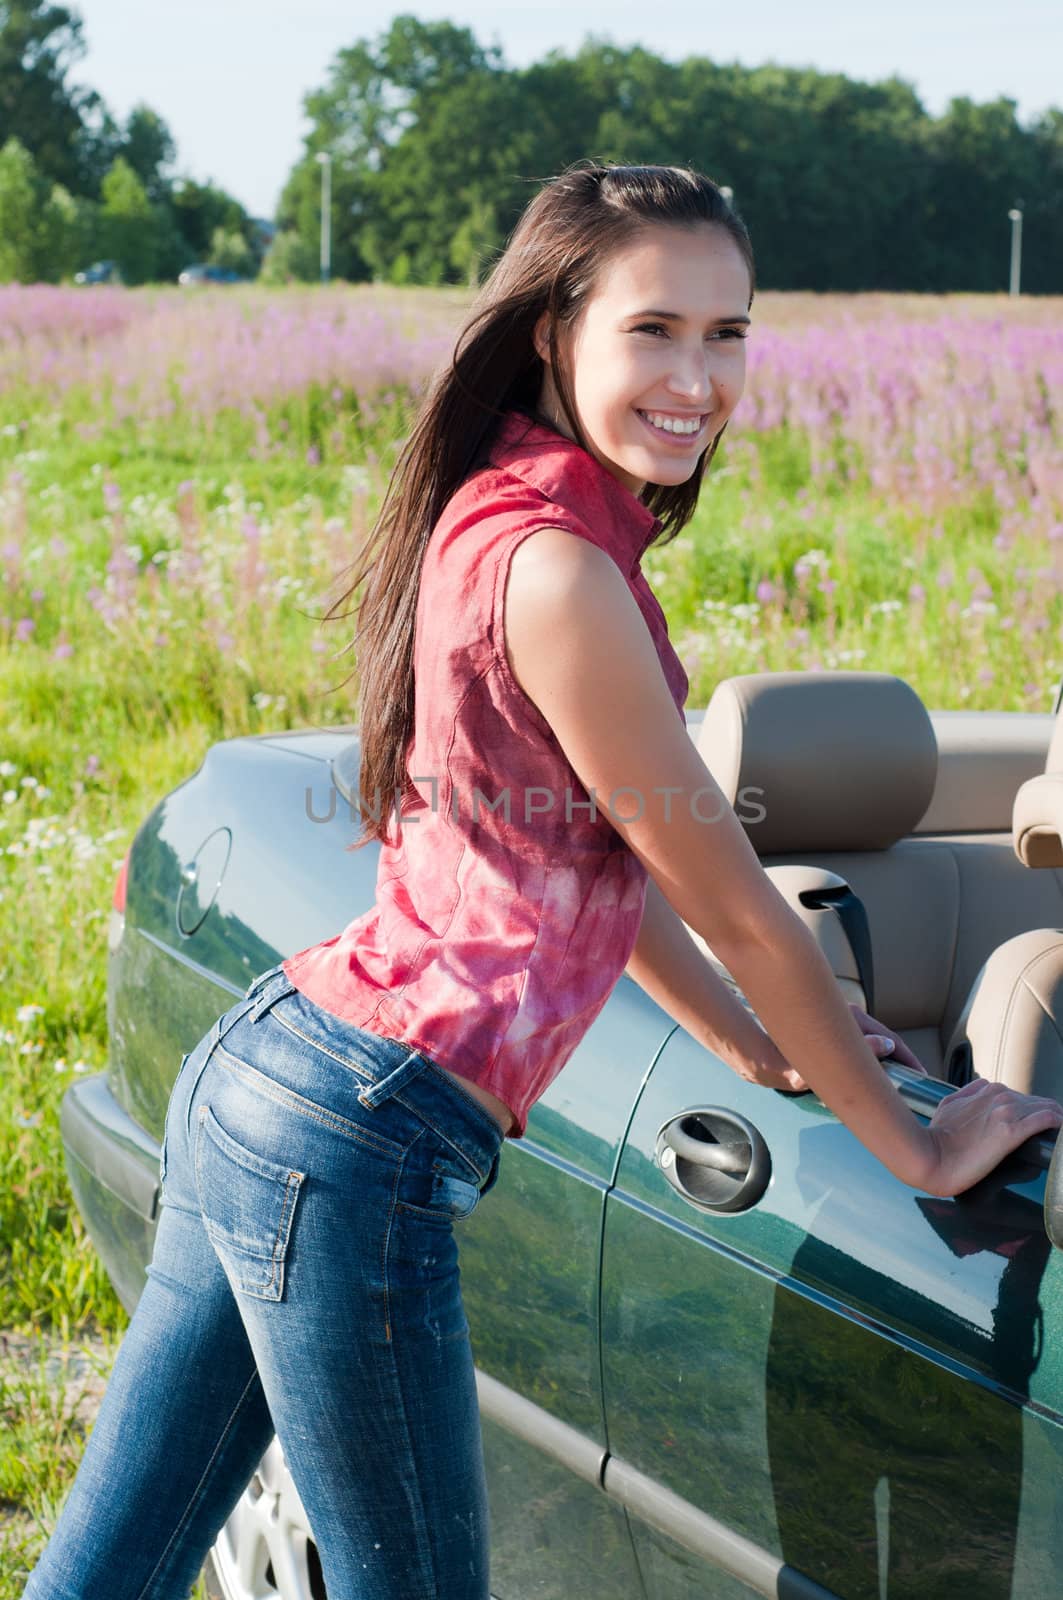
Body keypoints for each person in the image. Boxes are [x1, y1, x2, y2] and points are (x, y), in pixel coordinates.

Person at [23, 161, 1063, 1600]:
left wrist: (749, 1044)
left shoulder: (508, 512)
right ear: (553, 332)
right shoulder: (563, 572)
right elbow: (741, 907)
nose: (699, 377)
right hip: (358, 1140)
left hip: (279, 1081)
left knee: (110, 1572)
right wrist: (918, 1146)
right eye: (656, 329)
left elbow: (583, 868)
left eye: (730, 333)